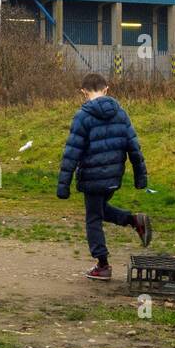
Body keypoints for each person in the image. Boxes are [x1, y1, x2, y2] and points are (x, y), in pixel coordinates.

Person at [56, 72, 153, 280]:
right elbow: (134, 148)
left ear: (84, 92)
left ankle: (103, 265)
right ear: (106, 89)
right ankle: (135, 220)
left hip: (91, 177)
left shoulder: (82, 116)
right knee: (99, 210)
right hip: (114, 176)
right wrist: (140, 177)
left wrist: (63, 185)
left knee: (93, 218)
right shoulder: (121, 114)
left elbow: (72, 152)